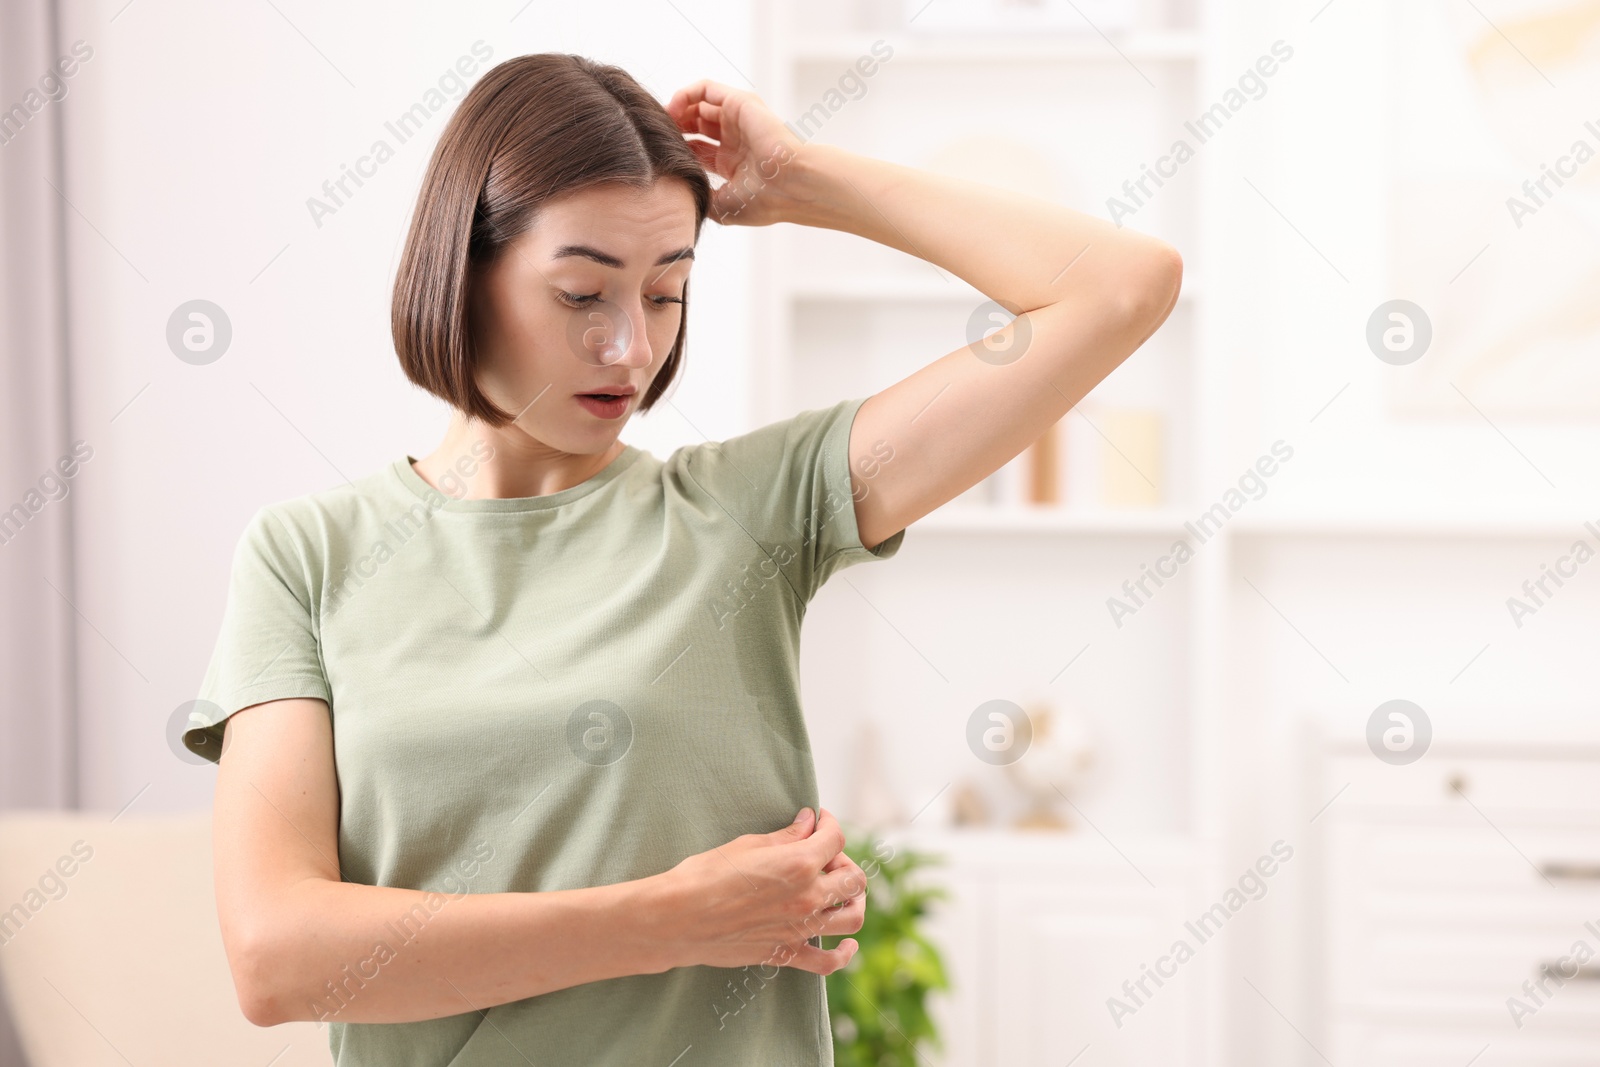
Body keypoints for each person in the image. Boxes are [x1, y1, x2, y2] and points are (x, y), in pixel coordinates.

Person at [183, 52, 1181, 1066]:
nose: (630, 347)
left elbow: (1120, 289)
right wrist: (670, 918)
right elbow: (277, 956)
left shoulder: (749, 510)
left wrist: (803, 179)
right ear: (464, 269)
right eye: (582, 293)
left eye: (667, 292)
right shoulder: (307, 554)